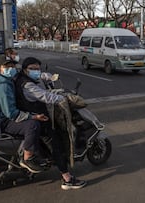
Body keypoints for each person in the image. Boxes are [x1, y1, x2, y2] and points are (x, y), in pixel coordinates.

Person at [14, 57, 86, 190]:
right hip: (39, 119)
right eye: (33, 69)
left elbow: (41, 77)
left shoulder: (23, 77)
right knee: (56, 145)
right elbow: (45, 96)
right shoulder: (27, 85)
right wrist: (64, 99)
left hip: (31, 116)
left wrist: (50, 77)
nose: (36, 71)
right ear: (25, 69)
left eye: (37, 68)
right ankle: (67, 179)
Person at [0, 55, 48, 173]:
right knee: (33, 125)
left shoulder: (4, 80)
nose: (11, 68)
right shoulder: (2, 86)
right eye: (7, 66)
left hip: (2, 117)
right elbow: (11, 113)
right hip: (2, 121)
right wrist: (33, 116)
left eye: (13, 65)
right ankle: (27, 158)